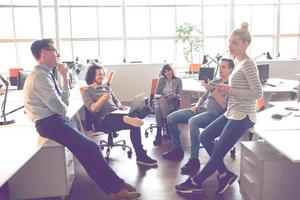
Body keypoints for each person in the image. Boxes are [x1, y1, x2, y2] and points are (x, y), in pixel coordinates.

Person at [24, 39, 140, 200]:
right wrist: (64, 91)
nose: (58, 54)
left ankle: (116, 186)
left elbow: (62, 104)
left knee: (89, 149)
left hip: (55, 119)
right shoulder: (40, 77)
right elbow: (61, 107)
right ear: (43, 53)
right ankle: (114, 189)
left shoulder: (46, 74)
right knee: (90, 149)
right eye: (54, 50)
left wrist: (64, 78)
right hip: (49, 123)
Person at [175, 22, 263, 195]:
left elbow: (257, 93)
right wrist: (224, 90)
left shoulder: (248, 64)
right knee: (205, 136)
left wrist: (230, 90)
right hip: (233, 112)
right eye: (230, 42)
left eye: (235, 42)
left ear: (245, 44)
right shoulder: (238, 63)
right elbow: (240, 91)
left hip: (243, 115)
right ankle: (224, 174)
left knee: (218, 152)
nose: (230, 45)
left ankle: (196, 181)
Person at [163, 59, 234, 172]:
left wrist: (214, 91)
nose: (220, 69)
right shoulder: (216, 80)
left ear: (231, 69)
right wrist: (197, 104)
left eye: (224, 67)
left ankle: (194, 160)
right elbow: (204, 96)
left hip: (215, 116)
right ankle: (177, 149)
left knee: (193, 122)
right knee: (171, 118)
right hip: (202, 109)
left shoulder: (230, 86)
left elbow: (225, 106)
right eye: (220, 67)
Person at [82, 64, 157, 167]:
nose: (102, 76)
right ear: (92, 76)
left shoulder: (106, 87)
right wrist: (101, 100)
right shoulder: (86, 91)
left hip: (117, 114)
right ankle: (141, 156)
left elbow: (116, 102)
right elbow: (92, 109)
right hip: (105, 118)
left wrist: (120, 106)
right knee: (134, 122)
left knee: (147, 108)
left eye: (102, 74)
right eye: (99, 74)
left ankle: (129, 117)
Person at [152, 64, 182, 146]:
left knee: (158, 109)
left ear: (172, 70)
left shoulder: (178, 80)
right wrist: (161, 96)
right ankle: (167, 127)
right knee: (161, 102)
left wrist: (175, 95)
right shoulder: (161, 80)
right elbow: (155, 95)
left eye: (169, 70)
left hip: (172, 102)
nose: (167, 73)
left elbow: (180, 95)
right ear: (163, 74)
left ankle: (158, 134)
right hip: (161, 100)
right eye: (165, 72)